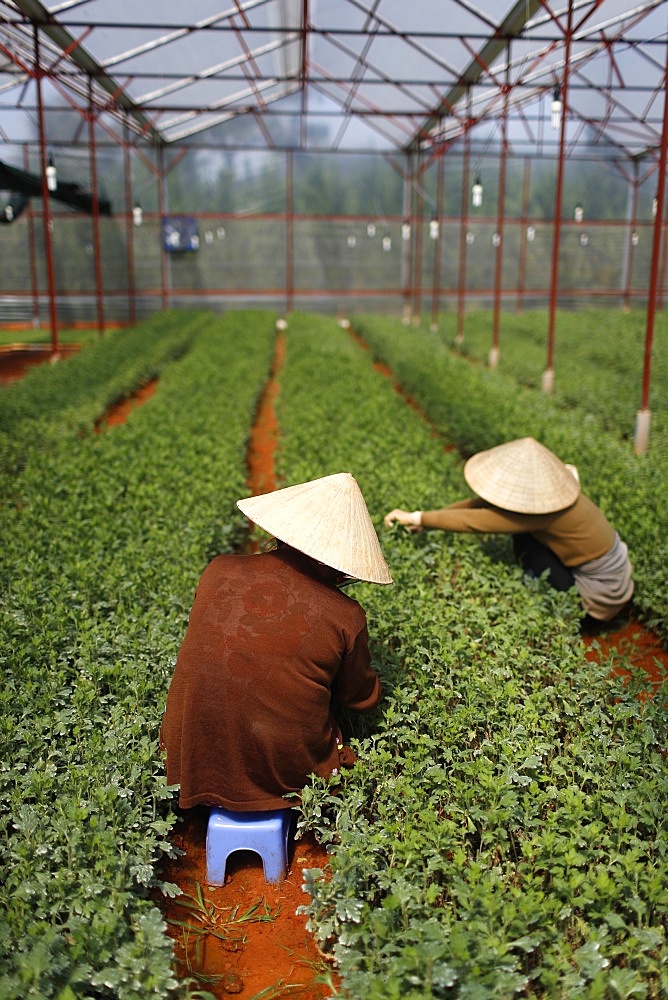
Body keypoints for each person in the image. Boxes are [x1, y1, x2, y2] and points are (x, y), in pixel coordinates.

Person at [160, 472, 392, 812]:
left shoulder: (218, 570)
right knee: (333, 738)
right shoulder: (345, 615)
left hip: (186, 753)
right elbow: (360, 699)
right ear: (342, 565)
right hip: (282, 772)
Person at [384, 437, 633, 632]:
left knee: (524, 540)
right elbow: (478, 504)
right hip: (614, 576)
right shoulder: (556, 496)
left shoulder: (542, 512)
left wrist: (417, 518)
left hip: (597, 600)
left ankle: (554, 609)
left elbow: (476, 520)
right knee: (526, 537)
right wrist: (423, 520)